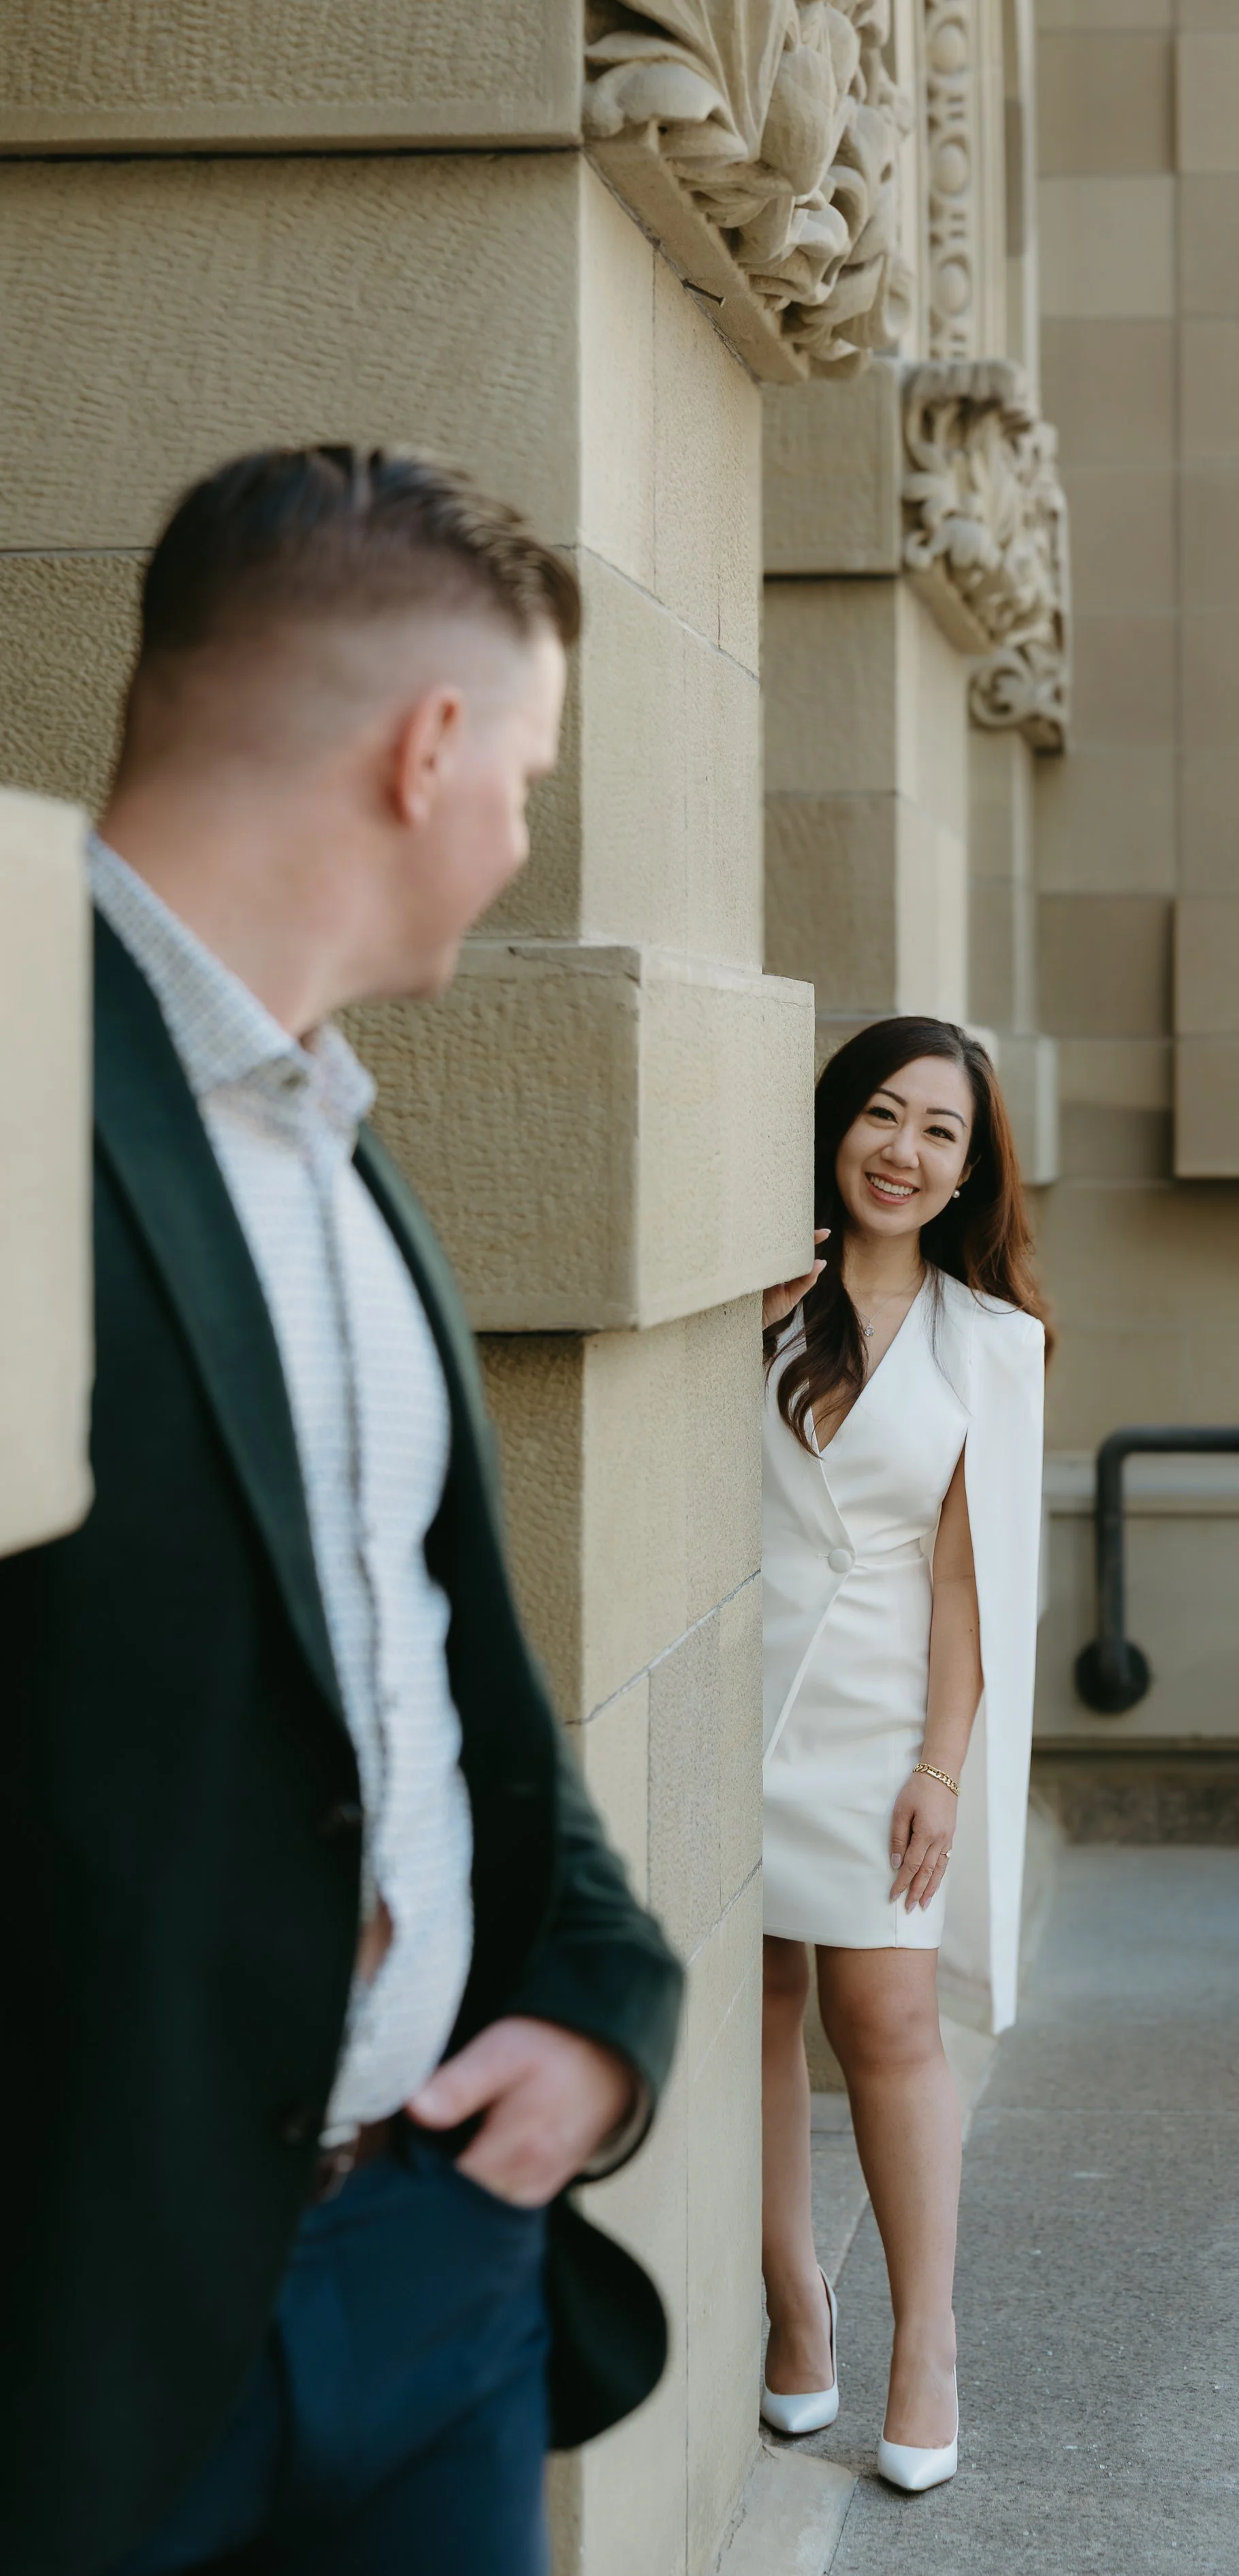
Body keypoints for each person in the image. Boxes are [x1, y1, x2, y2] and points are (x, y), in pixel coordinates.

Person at [0, 446, 684, 2576]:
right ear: (433, 746)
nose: (517, 837)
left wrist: (604, 2002)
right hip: (81, 2352)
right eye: (530, 776)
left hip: (432, 2283)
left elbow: (429, 1643)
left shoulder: (335, 1143)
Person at [757, 1018, 1048, 2494]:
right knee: (746, 1999)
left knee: (886, 2021)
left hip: (883, 1719)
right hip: (731, 1703)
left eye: (939, 1129)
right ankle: (790, 2292)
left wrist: (941, 1762)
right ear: (835, 1126)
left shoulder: (988, 1345)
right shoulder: (753, 1296)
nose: (903, 1149)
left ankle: (923, 2339)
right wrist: (749, 1312)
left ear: (967, 1169)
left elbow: (965, 1576)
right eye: (881, 1113)